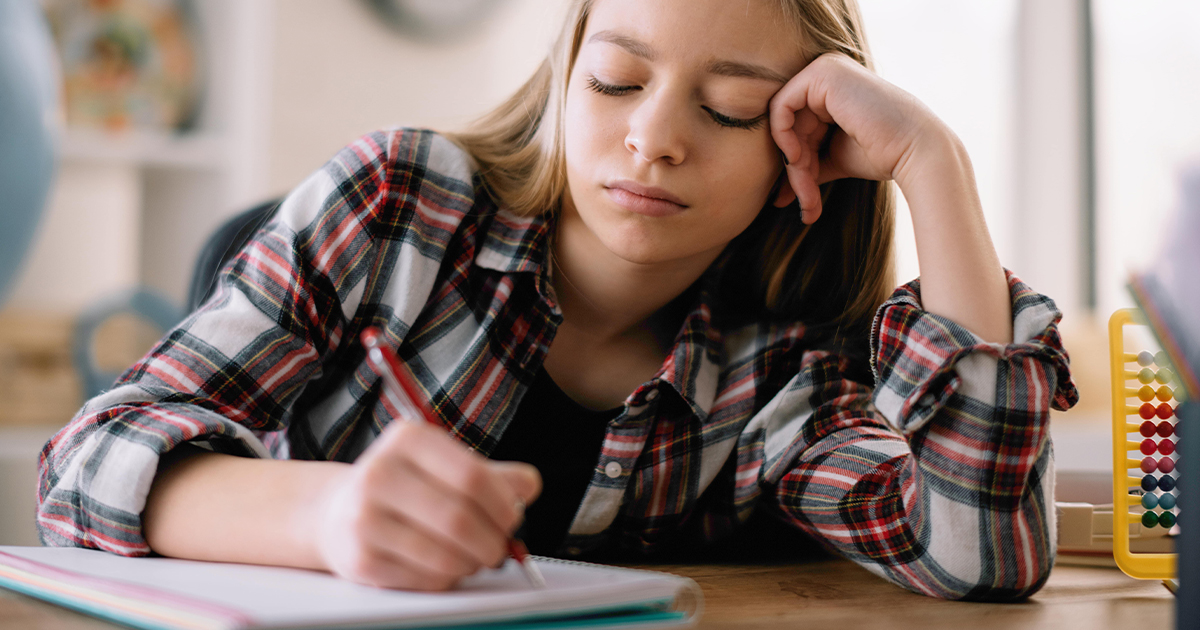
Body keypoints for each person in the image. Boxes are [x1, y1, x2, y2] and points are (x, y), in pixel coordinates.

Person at [36, 0, 1077, 601]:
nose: (653, 138)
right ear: (567, 79)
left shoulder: (786, 371)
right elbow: (86, 465)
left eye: (728, 110)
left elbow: (976, 555)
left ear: (798, 147)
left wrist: (934, 166)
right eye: (618, 82)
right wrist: (331, 511)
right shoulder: (395, 203)